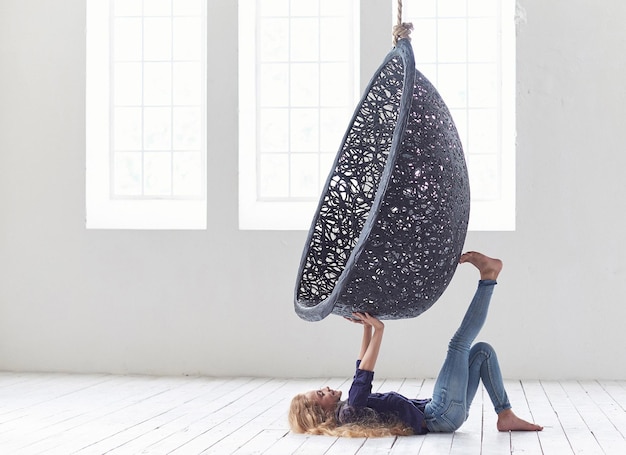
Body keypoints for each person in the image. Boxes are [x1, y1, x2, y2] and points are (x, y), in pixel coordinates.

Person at [289, 251, 543, 437]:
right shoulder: (348, 413)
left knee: (481, 353)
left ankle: (505, 415)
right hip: (439, 414)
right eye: (321, 395)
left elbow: (359, 371)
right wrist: (378, 331)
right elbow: (363, 375)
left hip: (444, 414)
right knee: (458, 345)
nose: (325, 389)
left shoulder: (350, 409)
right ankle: (488, 277)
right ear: (320, 412)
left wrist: (367, 326)